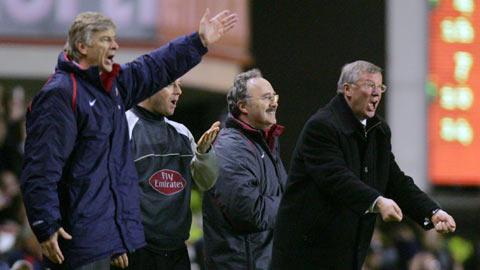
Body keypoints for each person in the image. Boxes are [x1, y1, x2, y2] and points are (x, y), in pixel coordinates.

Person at [20, 10, 237, 270]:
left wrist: (198, 41)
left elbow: (154, 67)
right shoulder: (59, 94)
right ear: (82, 47)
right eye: (105, 40)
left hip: (106, 239)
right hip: (76, 240)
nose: (115, 45)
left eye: (114, 38)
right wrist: (46, 224)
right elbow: (41, 168)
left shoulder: (111, 87)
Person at [271, 60, 456, 270]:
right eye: (369, 85)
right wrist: (376, 201)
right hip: (306, 256)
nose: (376, 93)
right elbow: (336, 178)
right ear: (347, 90)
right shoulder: (322, 126)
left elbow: (394, 181)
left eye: (380, 87)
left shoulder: (378, 131)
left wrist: (431, 212)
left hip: (346, 255)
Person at [124, 79, 219, 270]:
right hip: (135, 251)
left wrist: (203, 154)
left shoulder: (182, 133)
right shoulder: (123, 127)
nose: (179, 91)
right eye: (172, 84)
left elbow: (206, 182)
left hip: (177, 252)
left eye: (180, 84)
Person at [202, 69, 287, 269]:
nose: (274, 102)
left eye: (274, 96)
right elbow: (251, 214)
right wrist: (290, 203)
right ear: (243, 106)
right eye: (267, 97)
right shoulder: (230, 148)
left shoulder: (265, 142)